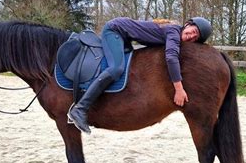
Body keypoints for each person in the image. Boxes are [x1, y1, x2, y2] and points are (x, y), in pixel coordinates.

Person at [67, 17, 213, 134]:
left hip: (125, 38)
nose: (191, 36)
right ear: (187, 24)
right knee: (116, 68)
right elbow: (170, 57)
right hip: (114, 30)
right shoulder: (174, 31)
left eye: (195, 37)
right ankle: (80, 109)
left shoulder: (173, 32)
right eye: (193, 31)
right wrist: (179, 89)